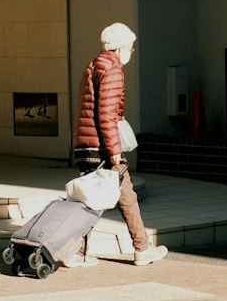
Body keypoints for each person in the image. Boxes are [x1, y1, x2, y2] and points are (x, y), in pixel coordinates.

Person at [71, 22, 168, 267]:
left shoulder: (94, 63)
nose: (131, 52)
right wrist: (114, 151)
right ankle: (138, 249)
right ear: (121, 47)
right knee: (102, 199)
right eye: (131, 48)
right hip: (103, 147)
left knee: (121, 196)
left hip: (88, 143)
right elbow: (107, 113)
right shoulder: (112, 68)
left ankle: (140, 247)